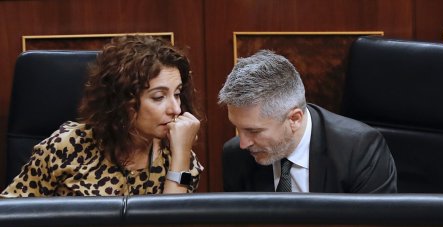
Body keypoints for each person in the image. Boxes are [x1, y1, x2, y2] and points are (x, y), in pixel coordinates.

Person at [1, 35, 203, 197]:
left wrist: (181, 159)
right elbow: (11, 220)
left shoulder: (178, 153)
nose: (176, 109)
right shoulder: (67, 147)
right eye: (159, 97)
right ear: (122, 101)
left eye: (177, 94)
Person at [218, 50, 397, 193]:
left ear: (294, 119)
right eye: (237, 128)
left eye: (254, 131)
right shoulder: (235, 157)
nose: (243, 143)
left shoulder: (359, 150)